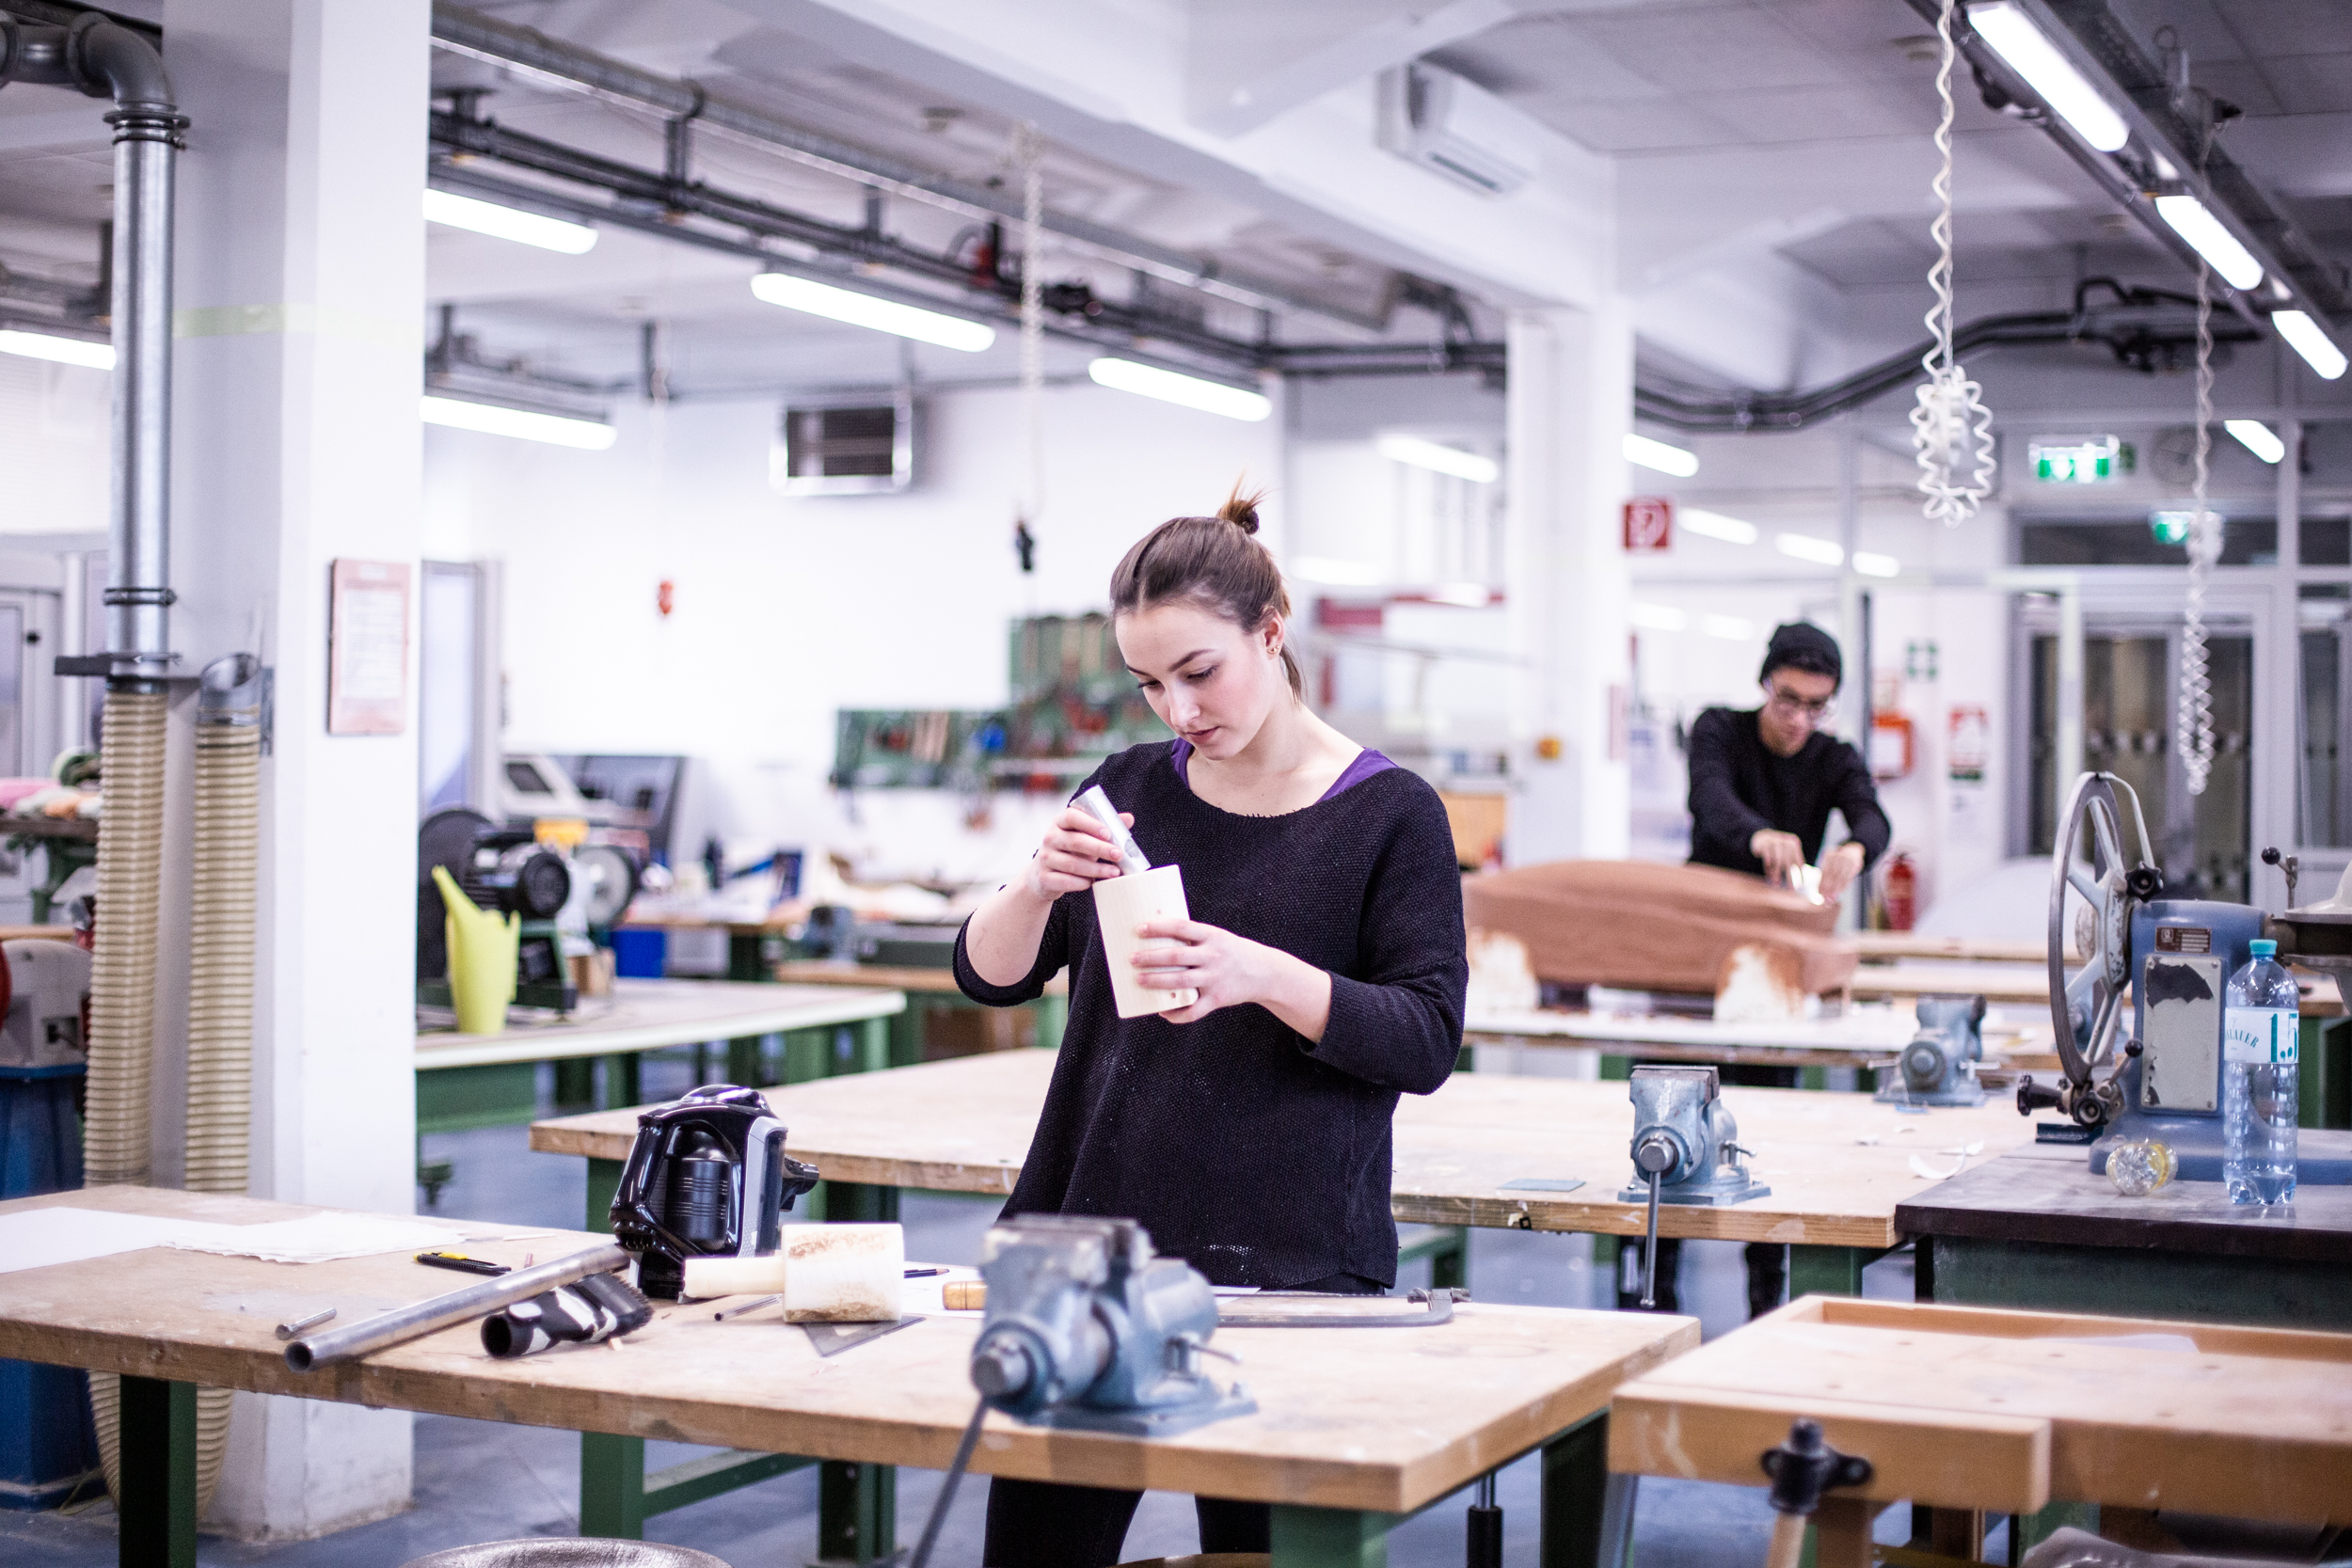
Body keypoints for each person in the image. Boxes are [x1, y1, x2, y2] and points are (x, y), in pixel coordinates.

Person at [955, 486, 1468, 1568]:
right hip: (1093, 1242)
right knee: (1041, 1548)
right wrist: (1032, 887)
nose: (1178, 710)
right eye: (1148, 683)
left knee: (1260, 1551)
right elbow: (990, 977)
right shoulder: (1130, 787)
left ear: (1271, 632)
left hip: (1287, 1261)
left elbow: (1423, 1037)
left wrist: (1261, 971)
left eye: (1200, 671)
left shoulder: (1390, 814)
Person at [1632, 621, 1892, 1320]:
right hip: (1694, 955)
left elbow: (1872, 814)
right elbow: (1709, 801)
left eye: (1816, 704)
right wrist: (1756, 834)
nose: (1800, 718)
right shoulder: (1718, 729)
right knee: (1670, 1119)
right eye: (1788, 700)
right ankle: (1652, 1285)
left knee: (1763, 1125)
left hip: (1771, 964)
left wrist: (1858, 850)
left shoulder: (1834, 756)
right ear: (1764, 685)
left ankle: (1765, 1290)